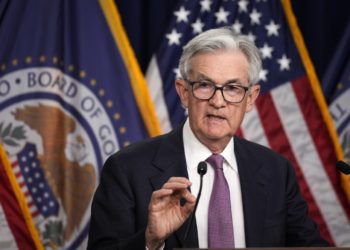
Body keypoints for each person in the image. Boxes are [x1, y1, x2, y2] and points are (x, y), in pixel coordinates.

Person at [87, 27, 329, 249]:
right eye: (205, 85)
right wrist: (150, 241)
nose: (218, 101)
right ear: (183, 92)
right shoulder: (127, 169)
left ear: (251, 98)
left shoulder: (276, 170)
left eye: (233, 88)